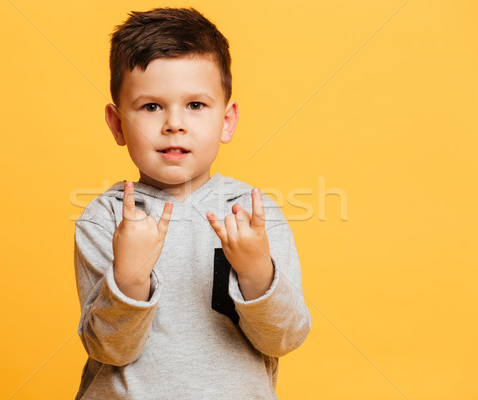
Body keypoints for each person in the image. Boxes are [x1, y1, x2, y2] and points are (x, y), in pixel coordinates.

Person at [74, 7, 311, 399]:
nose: (174, 124)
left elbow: (284, 339)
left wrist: (257, 274)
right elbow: (109, 348)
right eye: (151, 107)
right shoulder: (106, 219)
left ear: (227, 120)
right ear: (117, 124)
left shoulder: (254, 214)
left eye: (195, 106)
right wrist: (130, 278)